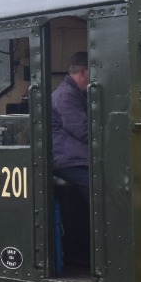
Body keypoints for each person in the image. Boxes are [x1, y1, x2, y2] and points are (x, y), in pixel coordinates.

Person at [51, 51, 89, 199]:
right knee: (99, 188)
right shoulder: (66, 96)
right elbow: (81, 130)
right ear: (83, 72)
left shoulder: (77, 94)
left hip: (77, 158)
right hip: (68, 161)